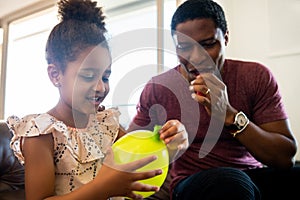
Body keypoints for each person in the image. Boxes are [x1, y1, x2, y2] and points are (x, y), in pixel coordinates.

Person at [6, 0, 188, 200]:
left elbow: (142, 163)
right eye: (88, 76)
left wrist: (171, 144)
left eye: (105, 76)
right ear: (55, 75)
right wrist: (103, 187)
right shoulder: (42, 133)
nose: (101, 87)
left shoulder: (107, 124)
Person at [128, 0, 299, 199]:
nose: (196, 57)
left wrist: (230, 116)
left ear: (225, 39)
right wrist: (165, 143)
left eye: (207, 45)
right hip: (194, 181)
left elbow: (285, 157)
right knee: (229, 182)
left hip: (253, 176)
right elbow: (132, 151)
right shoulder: (159, 88)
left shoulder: (256, 76)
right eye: (184, 47)